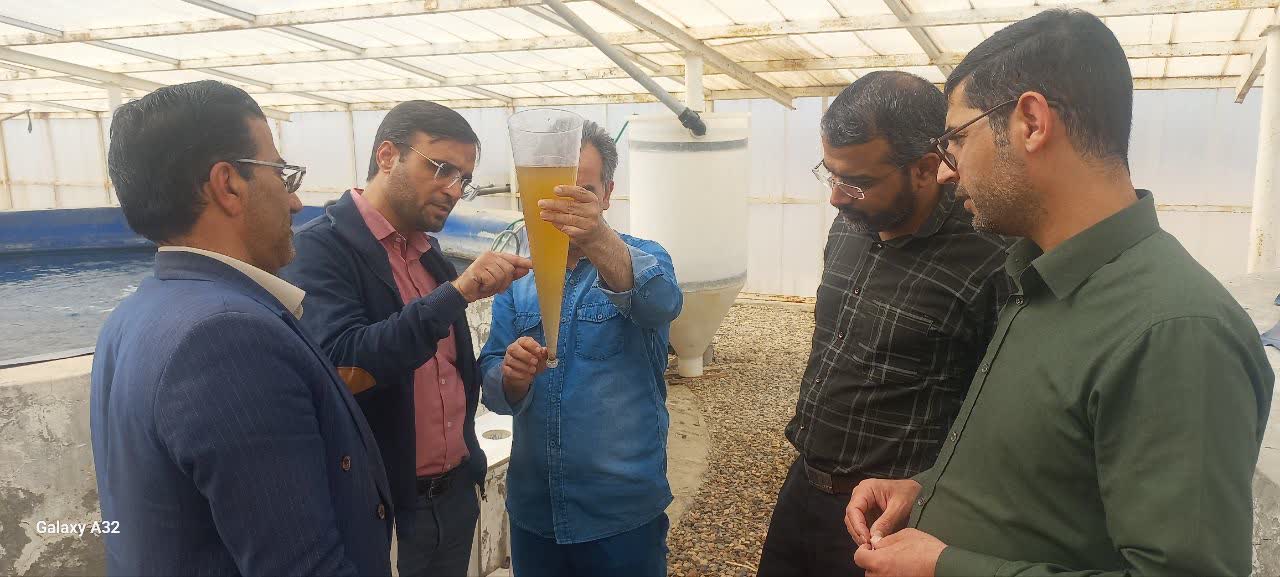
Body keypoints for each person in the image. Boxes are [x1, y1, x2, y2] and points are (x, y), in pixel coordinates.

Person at [847, 10, 1275, 577]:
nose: (947, 172)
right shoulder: (1041, 278)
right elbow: (1048, 477)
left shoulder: (1177, 330)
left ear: (1031, 122)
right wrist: (926, 490)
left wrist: (944, 567)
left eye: (957, 139)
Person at [90, 80, 393, 576]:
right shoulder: (227, 337)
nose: (295, 203)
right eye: (282, 174)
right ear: (228, 184)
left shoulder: (134, 315)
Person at [755, 71, 1012, 577]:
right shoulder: (852, 222)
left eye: (856, 181)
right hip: (803, 484)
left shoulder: (989, 258)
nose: (836, 197)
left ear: (926, 167)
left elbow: (997, 417)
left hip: (891, 519)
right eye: (830, 173)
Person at [280, 101, 530, 577]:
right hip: (384, 506)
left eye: (463, 178)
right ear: (388, 155)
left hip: (454, 495)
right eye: (441, 168)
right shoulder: (319, 248)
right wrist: (457, 293)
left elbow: (450, 369)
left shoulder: (427, 250)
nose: (454, 190)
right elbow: (343, 364)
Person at [478, 120, 683, 577]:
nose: (566, 206)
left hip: (620, 515)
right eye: (555, 193)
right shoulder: (521, 278)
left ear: (608, 194)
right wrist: (510, 377)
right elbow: (492, 382)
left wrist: (598, 239)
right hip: (536, 511)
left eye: (583, 192)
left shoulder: (645, 257)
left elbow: (660, 303)